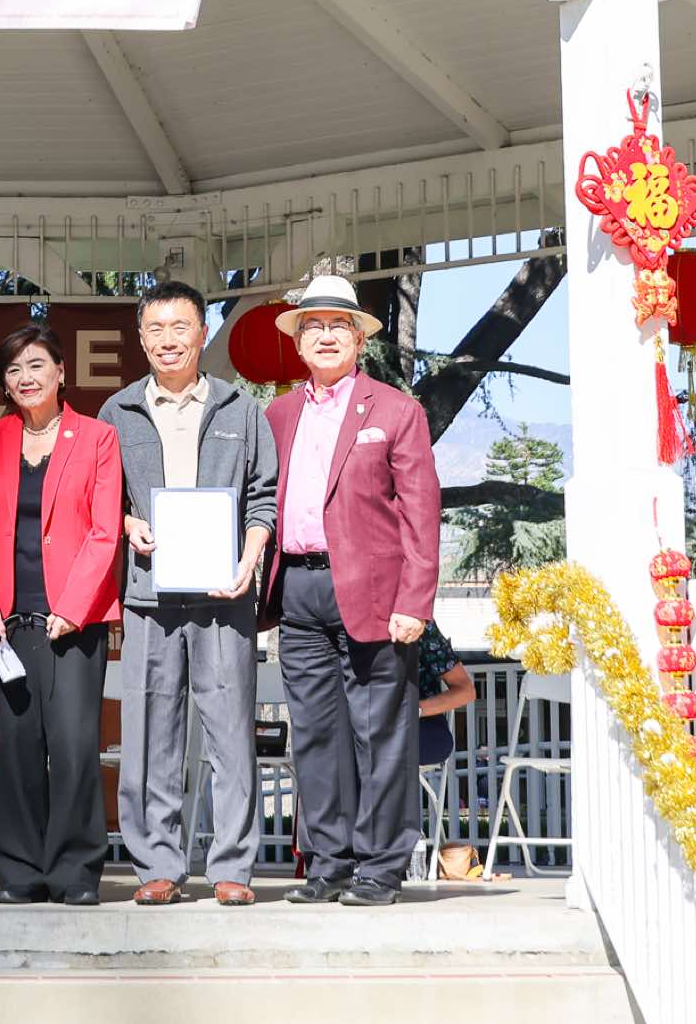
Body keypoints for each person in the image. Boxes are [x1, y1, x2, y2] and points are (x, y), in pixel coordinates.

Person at [261, 274, 440, 908]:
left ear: (360, 339)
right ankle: (328, 863)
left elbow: (422, 513)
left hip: (376, 596)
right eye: (313, 326)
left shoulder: (395, 410)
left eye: (340, 325)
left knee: (380, 734)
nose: (326, 336)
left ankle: (381, 868)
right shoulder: (277, 415)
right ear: (298, 343)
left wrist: (415, 603)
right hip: (298, 588)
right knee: (314, 735)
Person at [100, 281, 278, 908]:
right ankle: (158, 865)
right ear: (141, 338)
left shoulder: (240, 409)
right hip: (149, 596)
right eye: (156, 329)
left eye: (181, 327)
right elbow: (101, 499)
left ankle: (232, 867)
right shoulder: (117, 412)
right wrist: (127, 524)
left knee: (231, 734)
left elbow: (263, 497)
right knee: (150, 734)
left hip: (224, 595)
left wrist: (250, 558)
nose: (169, 340)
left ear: (203, 333)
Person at [0, 325, 124, 905]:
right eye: (13, 370)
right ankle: (21, 872)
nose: (25, 378)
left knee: (75, 749)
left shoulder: (98, 437)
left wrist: (73, 608)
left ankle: (75, 873)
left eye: (36, 365)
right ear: (4, 384)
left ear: (60, 372)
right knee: (16, 749)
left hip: (74, 624)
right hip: (5, 624)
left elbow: (105, 532)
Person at [415, 620, 474, 769]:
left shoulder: (420, 622)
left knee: (436, 744)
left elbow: (466, 692)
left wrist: (415, 710)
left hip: (418, 723)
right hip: (367, 721)